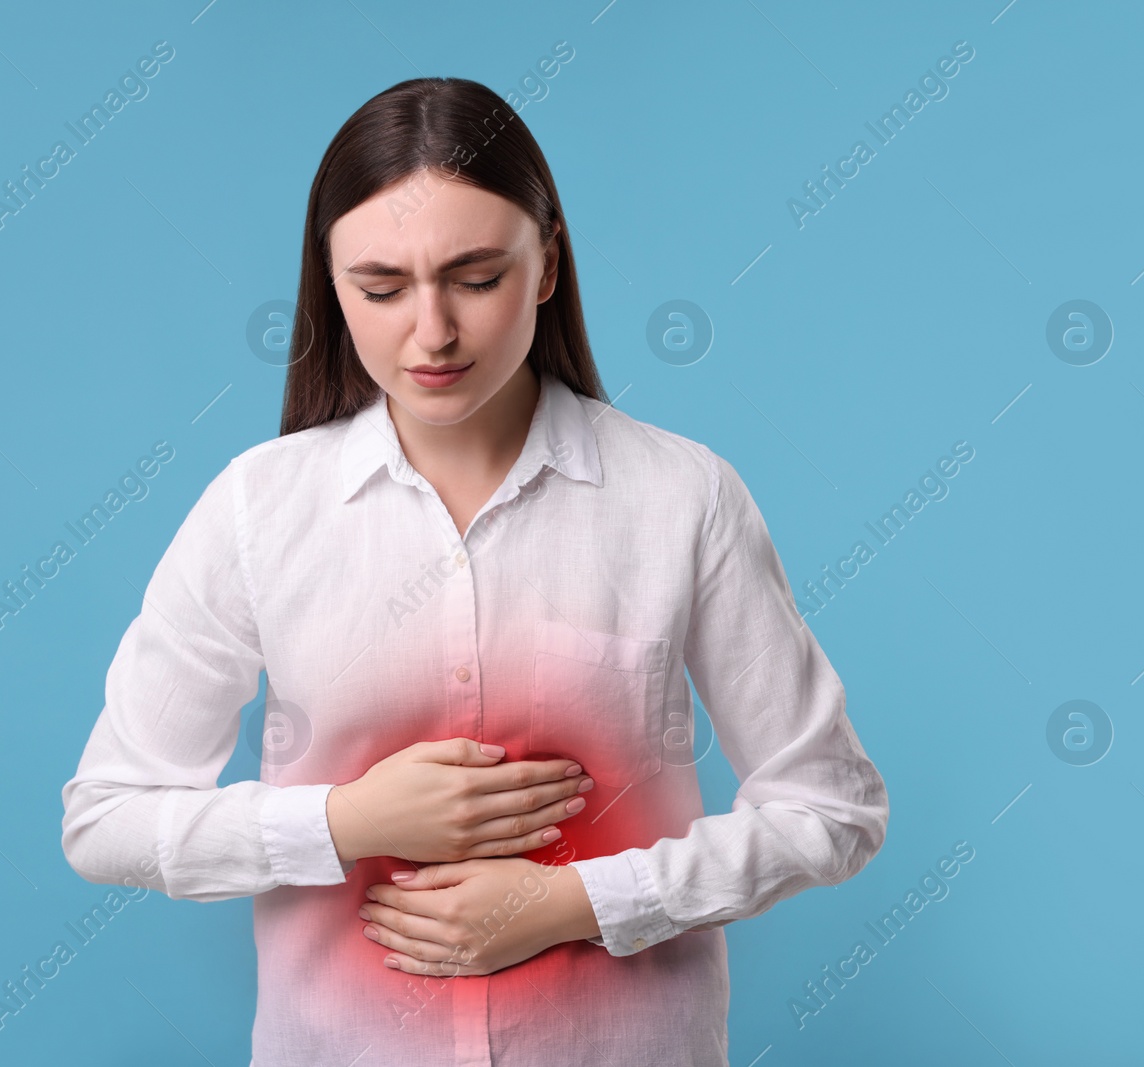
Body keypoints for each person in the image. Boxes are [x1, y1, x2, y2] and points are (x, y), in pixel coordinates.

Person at [60, 76, 888, 1066]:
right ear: (329, 283)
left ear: (546, 266)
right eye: (380, 287)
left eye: (476, 276)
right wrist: (346, 818)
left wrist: (579, 902)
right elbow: (106, 819)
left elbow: (830, 808)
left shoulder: (681, 496)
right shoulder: (257, 508)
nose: (432, 332)